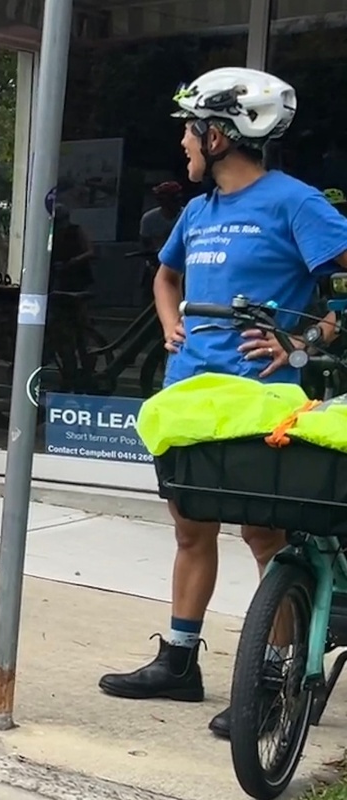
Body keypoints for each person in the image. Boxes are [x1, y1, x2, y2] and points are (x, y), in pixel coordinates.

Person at [96, 68, 347, 740]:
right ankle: (179, 661)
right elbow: (165, 274)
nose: (182, 141)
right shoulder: (199, 211)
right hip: (191, 391)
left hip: (261, 396)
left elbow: (343, 292)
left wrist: (304, 339)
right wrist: (170, 319)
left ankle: (272, 679)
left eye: (189, 128)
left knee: (267, 536)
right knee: (189, 526)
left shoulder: (296, 204)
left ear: (221, 133)